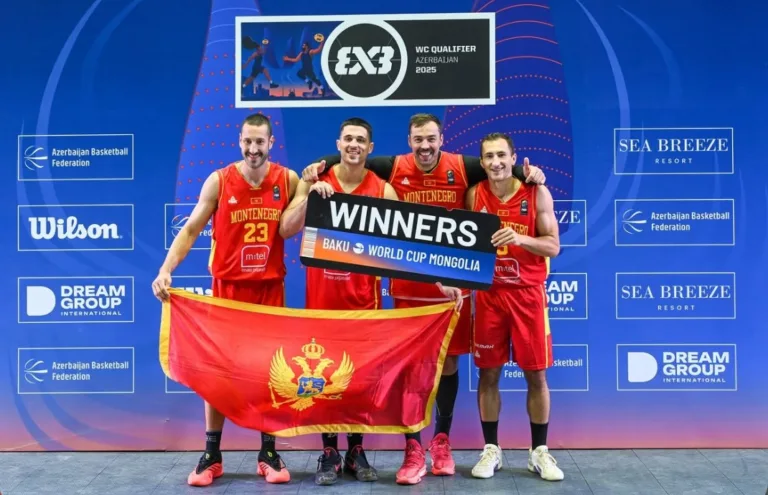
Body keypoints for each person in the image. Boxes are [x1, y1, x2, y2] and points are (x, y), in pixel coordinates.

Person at [299, 113, 548, 485]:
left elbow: (500, 168)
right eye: (418, 139)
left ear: (441, 139)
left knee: (448, 366)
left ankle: (441, 442)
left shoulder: (464, 168)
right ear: (409, 141)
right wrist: (319, 166)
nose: (425, 146)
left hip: (452, 290)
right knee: (410, 371)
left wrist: (530, 175)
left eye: (431, 139)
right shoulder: (393, 167)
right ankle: (413, 448)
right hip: (408, 289)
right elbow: (353, 156)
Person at [279, 117, 463, 486]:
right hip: (322, 305)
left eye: (361, 140)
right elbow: (286, 228)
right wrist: (310, 197)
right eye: (348, 139)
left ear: (370, 148)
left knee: (359, 381)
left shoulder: (383, 190)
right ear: (338, 144)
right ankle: (328, 451)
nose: (354, 145)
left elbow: (407, 246)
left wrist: (441, 280)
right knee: (323, 379)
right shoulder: (315, 181)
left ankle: (356, 449)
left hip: (364, 305)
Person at [151, 113, 297, 487]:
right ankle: (212, 454)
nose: (253, 148)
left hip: (269, 292)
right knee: (218, 376)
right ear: (239, 141)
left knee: (269, 373)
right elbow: (191, 229)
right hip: (228, 293)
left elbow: (302, 219)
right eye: (247, 141)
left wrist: (314, 185)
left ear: (271, 143)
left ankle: (268, 453)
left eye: (259, 142)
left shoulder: (288, 180)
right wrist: (166, 269)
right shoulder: (219, 180)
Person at [466, 132, 564, 482]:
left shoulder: (537, 192)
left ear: (513, 158)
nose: (496, 162)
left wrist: (520, 237)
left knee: (536, 374)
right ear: (482, 162)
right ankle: (491, 449)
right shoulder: (474, 194)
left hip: (527, 296)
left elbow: (553, 246)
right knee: (488, 374)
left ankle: (539, 452)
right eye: (489, 156)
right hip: (490, 296)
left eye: (501, 155)